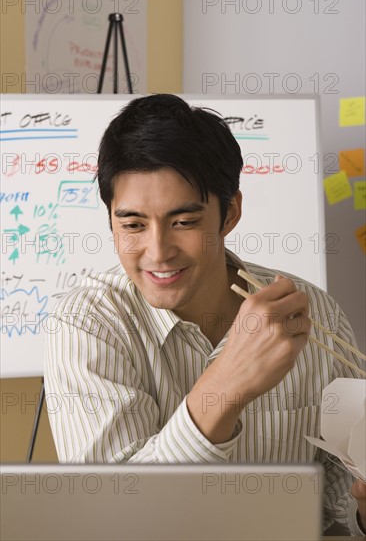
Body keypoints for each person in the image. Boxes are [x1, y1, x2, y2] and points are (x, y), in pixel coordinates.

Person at [44, 94, 365, 535]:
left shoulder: (311, 312)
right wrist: (228, 384)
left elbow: (341, 500)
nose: (157, 253)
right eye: (133, 225)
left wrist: (361, 507)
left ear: (229, 212)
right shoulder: (86, 323)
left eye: (184, 222)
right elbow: (112, 516)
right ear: (111, 221)